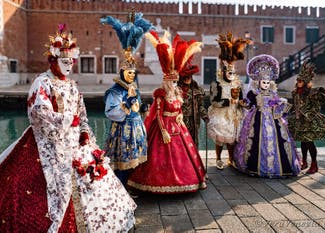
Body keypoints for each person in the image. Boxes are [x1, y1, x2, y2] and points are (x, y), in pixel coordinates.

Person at [0, 24, 136, 232]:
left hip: (76, 143)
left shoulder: (72, 85)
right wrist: (65, 120)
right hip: (49, 142)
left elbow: (81, 111)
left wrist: (83, 130)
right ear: (53, 61)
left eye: (71, 62)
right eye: (64, 62)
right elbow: (39, 112)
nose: (69, 66)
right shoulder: (42, 82)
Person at [127, 30, 207, 194]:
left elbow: (179, 109)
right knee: (158, 157)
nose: (175, 84)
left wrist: (180, 116)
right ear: (166, 81)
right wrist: (163, 131)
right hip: (163, 129)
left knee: (184, 155)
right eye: (172, 81)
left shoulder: (177, 93)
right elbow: (157, 113)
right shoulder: (161, 94)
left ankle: (188, 181)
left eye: (176, 81)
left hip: (178, 128)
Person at [100, 12, 153, 187]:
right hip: (123, 132)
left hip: (136, 129)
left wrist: (141, 107)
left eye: (133, 73)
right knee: (121, 163)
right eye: (128, 72)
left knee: (134, 162)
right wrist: (125, 107)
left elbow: (135, 103)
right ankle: (120, 191)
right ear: (123, 72)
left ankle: (127, 187)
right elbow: (111, 111)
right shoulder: (115, 91)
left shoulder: (133, 87)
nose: (131, 75)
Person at [233, 54, 301, 178]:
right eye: (263, 82)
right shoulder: (253, 93)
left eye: (268, 82)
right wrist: (244, 103)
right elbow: (249, 104)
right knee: (255, 140)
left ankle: (279, 167)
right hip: (257, 118)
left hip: (274, 119)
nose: (265, 84)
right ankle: (256, 166)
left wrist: (280, 103)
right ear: (258, 82)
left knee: (280, 140)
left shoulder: (273, 92)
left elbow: (276, 103)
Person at [207, 32, 250, 170]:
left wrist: (243, 103)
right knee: (221, 138)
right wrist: (227, 102)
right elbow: (213, 100)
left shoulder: (237, 83)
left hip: (235, 114)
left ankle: (231, 159)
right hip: (221, 113)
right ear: (224, 72)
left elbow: (242, 98)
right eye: (229, 72)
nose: (231, 75)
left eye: (233, 73)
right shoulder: (216, 83)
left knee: (232, 138)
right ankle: (219, 158)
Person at [288, 61, 325, 174]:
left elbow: (317, 107)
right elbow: (295, 105)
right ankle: (304, 162)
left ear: (306, 82)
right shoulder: (295, 93)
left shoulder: (313, 93)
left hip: (310, 121)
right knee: (303, 142)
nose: (298, 83)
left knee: (309, 143)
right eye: (297, 80)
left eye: (301, 81)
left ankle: (314, 164)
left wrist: (307, 114)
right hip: (299, 121)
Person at [178, 63, 208, 147]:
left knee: (193, 142)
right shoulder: (177, 90)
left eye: (189, 77)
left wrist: (205, 116)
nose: (187, 79)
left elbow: (200, 106)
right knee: (181, 142)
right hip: (180, 120)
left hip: (194, 121)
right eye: (185, 77)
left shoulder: (197, 90)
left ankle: (193, 159)